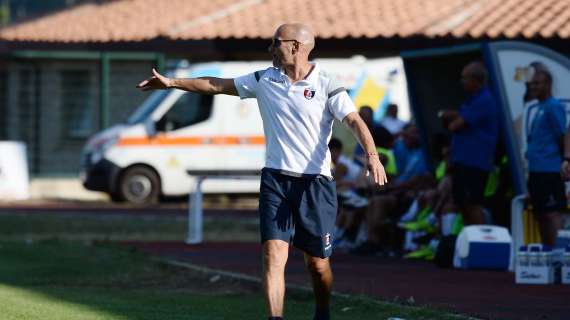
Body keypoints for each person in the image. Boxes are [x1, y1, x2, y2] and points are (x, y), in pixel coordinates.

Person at [136, 23, 387, 320]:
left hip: (315, 185)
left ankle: (322, 310)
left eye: (275, 42)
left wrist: (372, 155)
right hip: (275, 180)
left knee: (317, 264)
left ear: (295, 46)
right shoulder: (264, 80)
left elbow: (355, 121)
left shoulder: (326, 84)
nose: (270, 48)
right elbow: (216, 85)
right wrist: (172, 82)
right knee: (273, 254)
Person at [439, 61, 499, 225]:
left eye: (465, 78)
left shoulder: (484, 100)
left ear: (476, 80)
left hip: (475, 162)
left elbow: (456, 125)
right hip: (463, 160)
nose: (462, 82)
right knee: (462, 204)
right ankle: (470, 239)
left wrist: (452, 117)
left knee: (473, 203)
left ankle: (480, 241)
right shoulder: (472, 100)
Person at [525, 69, 566, 246]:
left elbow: (563, 135)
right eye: (531, 84)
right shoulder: (540, 107)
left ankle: (560, 257)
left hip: (549, 170)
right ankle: (548, 256)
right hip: (536, 171)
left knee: (552, 213)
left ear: (548, 85)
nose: (533, 87)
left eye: (537, 83)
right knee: (540, 214)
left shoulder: (553, 106)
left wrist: (566, 160)